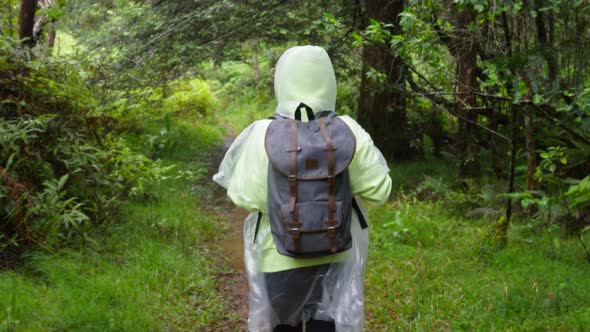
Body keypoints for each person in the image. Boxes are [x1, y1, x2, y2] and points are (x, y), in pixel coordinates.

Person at [213, 45, 391, 332]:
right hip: (338, 253)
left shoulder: (261, 133)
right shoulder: (349, 130)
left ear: (281, 81)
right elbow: (380, 191)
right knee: (327, 326)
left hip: (277, 258)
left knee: (284, 326)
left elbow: (242, 196)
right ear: (328, 81)